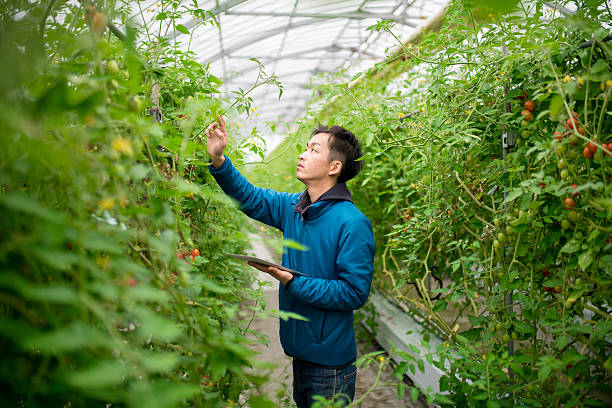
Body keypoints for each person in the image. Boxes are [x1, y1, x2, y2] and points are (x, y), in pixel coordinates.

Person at [204, 115, 375, 407]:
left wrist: (294, 282)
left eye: (313, 150)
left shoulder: (352, 223)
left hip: (330, 364)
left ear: (334, 167)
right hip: (300, 351)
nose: (302, 154)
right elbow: (251, 197)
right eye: (306, 148)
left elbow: (354, 292)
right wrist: (219, 160)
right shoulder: (295, 208)